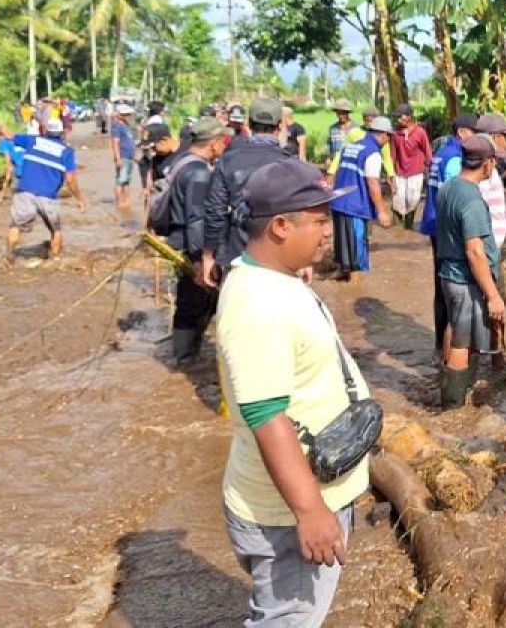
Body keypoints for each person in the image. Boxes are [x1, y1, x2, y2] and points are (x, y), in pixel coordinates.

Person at [217, 158, 371, 627]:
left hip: (299, 493)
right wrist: (310, 511)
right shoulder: (259, 306)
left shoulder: (270, 277)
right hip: (286, 512)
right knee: (287, 620)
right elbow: (267, 416)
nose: (330, 231)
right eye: (321, 220)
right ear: (281, 226)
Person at [434, 135, 505, 408]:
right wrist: (493, 295)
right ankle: (452, 406)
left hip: (447, 276)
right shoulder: (472, 200)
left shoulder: (447, 187)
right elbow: (475, 252)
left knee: (455, 328)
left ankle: (449, 388)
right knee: (464, 343)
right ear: (487, 165)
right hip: (465, 280)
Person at [200, 98, 289, 289]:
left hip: (236, 254)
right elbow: (299, 216)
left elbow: (214, 211)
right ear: (280, 126)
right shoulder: (290, 164)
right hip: (278, 257)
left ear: (248, 124)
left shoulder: (228, 160)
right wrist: (303, 261)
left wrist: (208, 255)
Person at [164, 117, 229, 367]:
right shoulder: (199, 173)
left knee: (195, 302)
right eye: (222, 141)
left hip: (179, 238)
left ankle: (186, 354)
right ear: (213, 144)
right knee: (195, 302)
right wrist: (203, 259)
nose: (224, 146)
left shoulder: (180, 162)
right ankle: (185, 359)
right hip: (192, 246)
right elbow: (197, 219)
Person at [419, 114, 479, 360]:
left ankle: (439, 345)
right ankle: (450, 350)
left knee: (441, 286)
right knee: (452, 289)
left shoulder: (442, 152)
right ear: (463, 132)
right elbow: (457, 196)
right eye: (474, 132)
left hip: (434, 225)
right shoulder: (455, 158)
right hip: (446, 230)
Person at [6, 117, 87, 262]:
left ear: (45, 130)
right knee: (55, 230)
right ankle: (55, 259)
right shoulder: (67, 152)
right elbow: (70, 179)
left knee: (16, 225)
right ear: (62, 132)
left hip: (25, 191)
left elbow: (10, 136)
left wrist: (1, 127)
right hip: (48, 196)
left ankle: (9, 256)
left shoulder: (32, 140)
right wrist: (79, 199)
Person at [329, 116, 394, 283]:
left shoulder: (350, 147)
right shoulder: (372, 153)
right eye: (390, 136)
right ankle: (354, 285)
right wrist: (382, 211)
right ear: (384, 135)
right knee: (356, 248)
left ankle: (342, 272)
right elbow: (372, 182)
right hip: (355, 206)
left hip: (338, 201)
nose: (390, 140)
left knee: (342, 241)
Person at [389, 103, 433, 229]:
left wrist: (431, 172)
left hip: (416, 173)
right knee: (398, 201)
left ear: (408, 117)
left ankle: (408, 226)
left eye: (399, 117)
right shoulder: (396, 134)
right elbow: (393, 154)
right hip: (399, 172)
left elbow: (428, 153)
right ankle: (397, 228)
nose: (397, 120)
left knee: (412, 201)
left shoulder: (420, 133)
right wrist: (391, 174)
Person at [475, 114, 506, 249]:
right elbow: (478, 210)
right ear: (494, 136)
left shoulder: (489, 166)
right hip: (485, 247)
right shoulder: (484, 168)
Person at [111, 102, 137, 209]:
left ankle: (127, 200)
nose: (128, 116)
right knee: (120, 181)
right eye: (126, 114)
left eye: (129, 114)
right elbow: (115, 143)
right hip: (123, 156)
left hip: (129, 156)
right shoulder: (117, 126)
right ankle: (119, 202)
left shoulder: (126, 126)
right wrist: (118, 158)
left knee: (127, 181)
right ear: (120, 115)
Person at [0, 124, 25, 200]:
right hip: (29, 163)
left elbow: (8, 160)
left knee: (15, 189)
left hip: (20, 166)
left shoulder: (2, 143)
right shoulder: (15, 138)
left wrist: (7, 173)